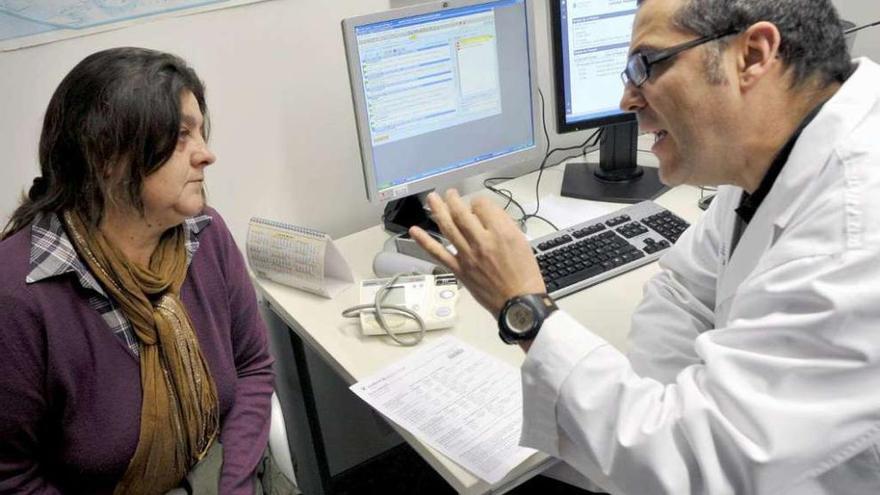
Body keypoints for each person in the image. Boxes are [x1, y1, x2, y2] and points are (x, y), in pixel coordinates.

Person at [410, 0, 880, 493]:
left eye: (645, 66)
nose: (626, 99)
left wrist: (523, 306)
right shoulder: (770, 159)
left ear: (753, 55)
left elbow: (696, 470)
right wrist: (662, 412)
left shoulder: (855, 230)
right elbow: (682, 290)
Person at [0, 48, 280, 494]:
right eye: (181, 136)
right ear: (106, 156)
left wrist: (234, 485)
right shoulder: (18, 296)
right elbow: (12, 476)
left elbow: (252, 369)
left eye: (202, 133)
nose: (206, 155)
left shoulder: (206, 235)